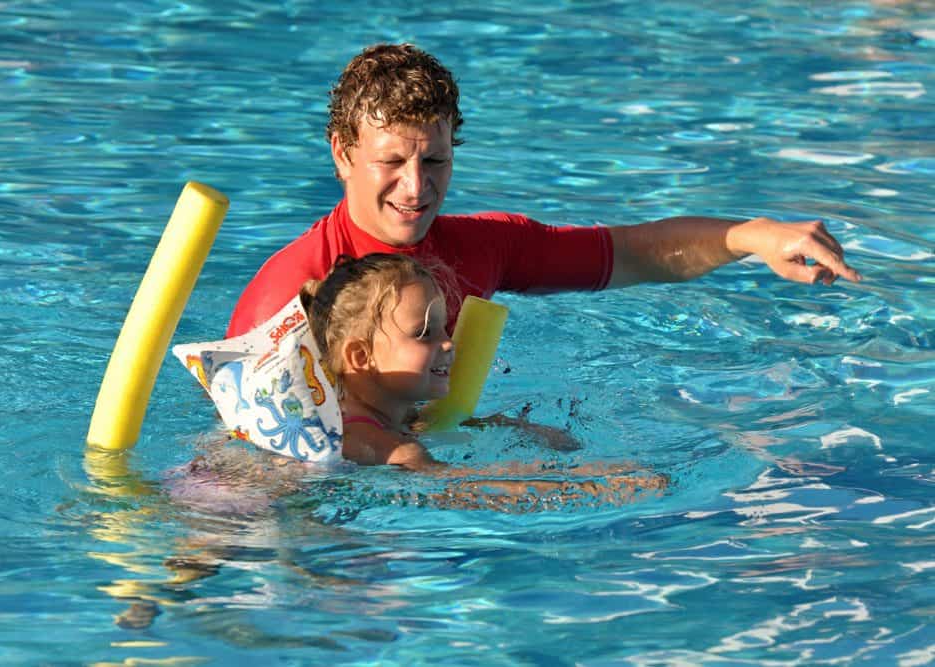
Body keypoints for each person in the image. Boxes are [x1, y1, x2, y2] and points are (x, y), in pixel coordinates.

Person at [227, 43, 862, 338]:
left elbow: (630, 253)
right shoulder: (292, 292)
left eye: (437, 161)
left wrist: (754, 236)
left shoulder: (481, 249)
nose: (417, 188)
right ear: (343, 154)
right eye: (391, 161)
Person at [298, 252, 664, 511]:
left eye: (444, 327)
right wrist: (591, 485)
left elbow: (427, 427)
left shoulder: (388, 418)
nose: (447, 343)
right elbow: (463, 490)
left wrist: (511, 427)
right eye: (424, 333)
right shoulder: (384, 446)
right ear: (361, 357)